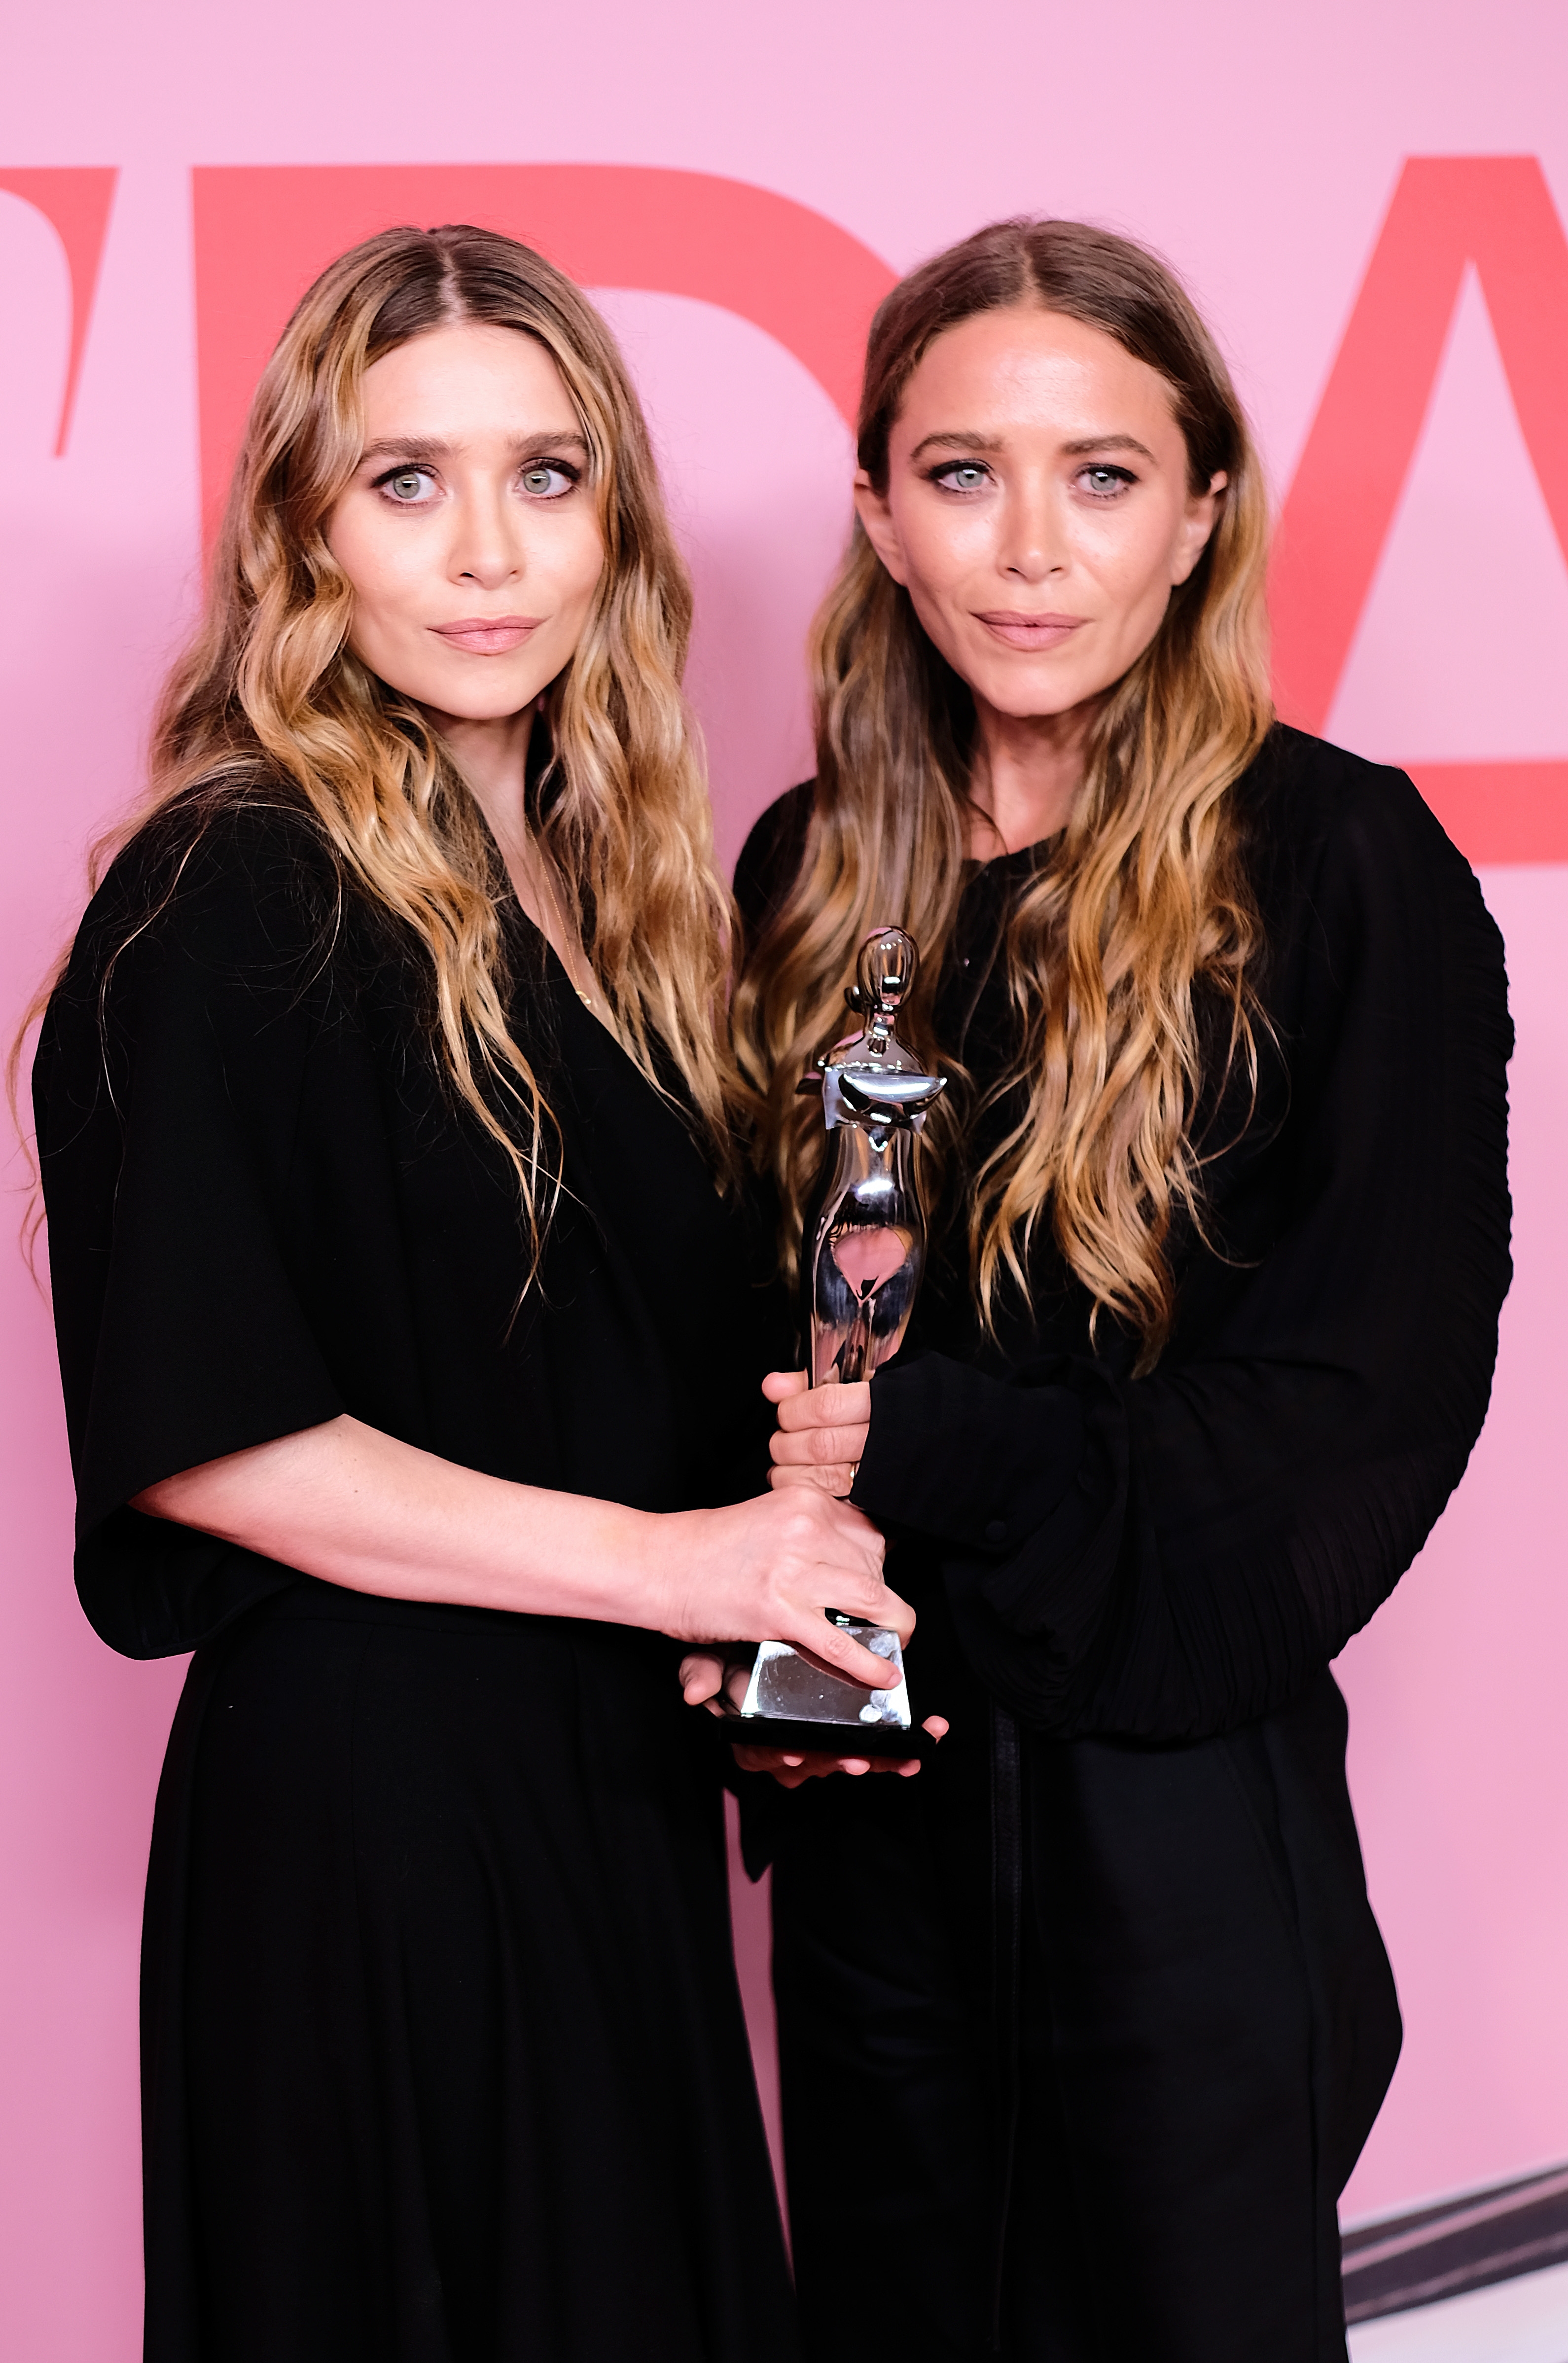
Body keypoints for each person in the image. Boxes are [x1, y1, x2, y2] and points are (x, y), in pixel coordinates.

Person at [29, 224, 911, 2363]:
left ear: (613, 517)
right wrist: (682, 1563)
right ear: (303, 537)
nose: (487, 549)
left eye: (544, 475)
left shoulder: (621, 909)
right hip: (372, 1830)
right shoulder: (235, 878)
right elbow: (212, 1433)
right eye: (405, 481)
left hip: (589, 1793)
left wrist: (749, 1613)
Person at [719, 219, 1514, 2362]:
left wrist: (938, 1445)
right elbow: (745, 1336)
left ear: (1201, 512)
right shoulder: (802, 875)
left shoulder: (1340, 864)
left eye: (1100, 474)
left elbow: (1364, 1403)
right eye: (963, 473)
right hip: (874, 1830)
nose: (1028, 548)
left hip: (1175, 1841)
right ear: (879, 514)